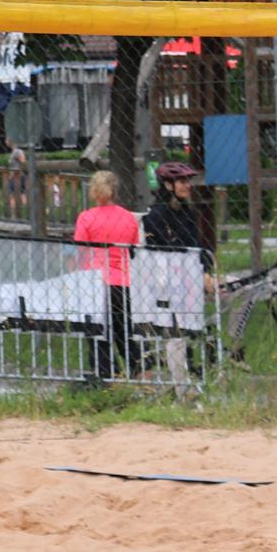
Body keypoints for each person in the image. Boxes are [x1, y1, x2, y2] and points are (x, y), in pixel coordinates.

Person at [142, 160, 215, 395]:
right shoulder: (156, 215)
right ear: (169, 184)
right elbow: (162, 254)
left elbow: (197, 247)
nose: (188, 186)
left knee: (240, 289)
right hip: (170, 285)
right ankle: (183, 388)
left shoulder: (188, 213)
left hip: (193, 279)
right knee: (177, 332)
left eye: (188, 181)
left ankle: (228, 349)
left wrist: (205, 271)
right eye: (183, 181)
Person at [73, 170, 140, 382]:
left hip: (93, 281)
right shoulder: (129, 218)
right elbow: (133, 247)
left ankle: (105, 375)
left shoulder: (86, 218)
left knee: (97, 331)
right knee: (124, 330)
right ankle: (138, 371)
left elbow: (81, 249)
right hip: (122, 280)